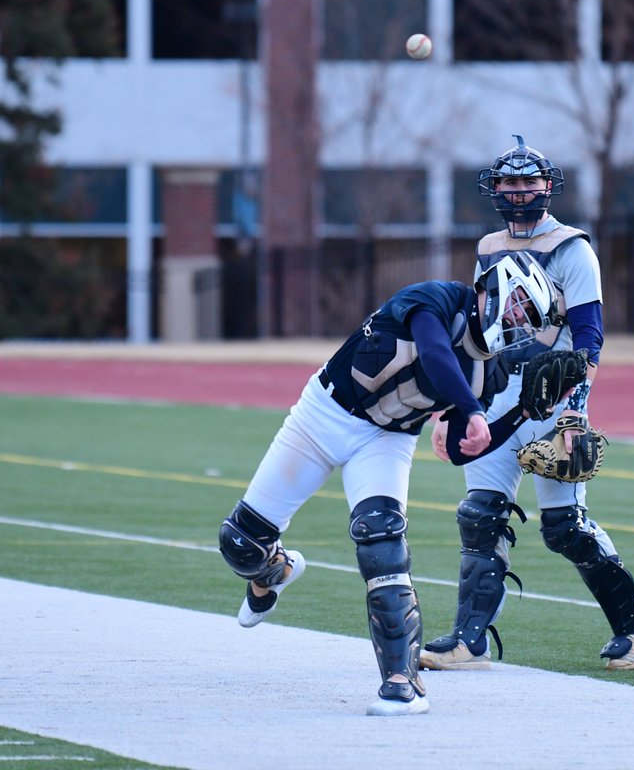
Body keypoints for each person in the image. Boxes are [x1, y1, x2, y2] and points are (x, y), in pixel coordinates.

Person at [217, 251, 558, 716]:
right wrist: (474, 410)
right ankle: (271, 573)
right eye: (518, 304)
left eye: (529, 318)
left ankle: (402, 681)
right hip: (324, 413)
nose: (518, 320)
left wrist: (518, 413)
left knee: (381, 541)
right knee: (239, 543)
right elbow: (435, 353)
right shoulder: (437, 298)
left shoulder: (490, 370)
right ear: (494, 286)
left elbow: (460, 447)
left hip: (387, 439)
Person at [420, 135, 634, 673]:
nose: (520, 192)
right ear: (495, 187)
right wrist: (451, 406)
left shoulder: (573, 248)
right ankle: (467, 641)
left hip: (553, 396)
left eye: (530, 182)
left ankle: (632, 626)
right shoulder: (486, 247)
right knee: (479, 516)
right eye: (510, 182)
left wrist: (573, 412)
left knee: (564, 527)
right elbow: (478, 335)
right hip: (496, 394)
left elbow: (589, 338)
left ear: (548, 187)